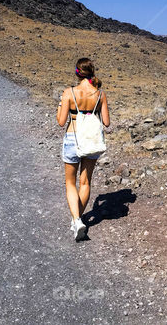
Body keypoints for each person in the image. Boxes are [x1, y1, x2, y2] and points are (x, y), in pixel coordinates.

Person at [56, 58, 110, 242]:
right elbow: (107, 122)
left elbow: (61, 121)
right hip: (91, 140)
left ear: (77, 73)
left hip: (73, 137)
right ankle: (77, 219)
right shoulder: (100, 94)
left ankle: (77, 220)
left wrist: (60, 106)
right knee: (85, 182)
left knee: (70, 183)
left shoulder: (69, 93)